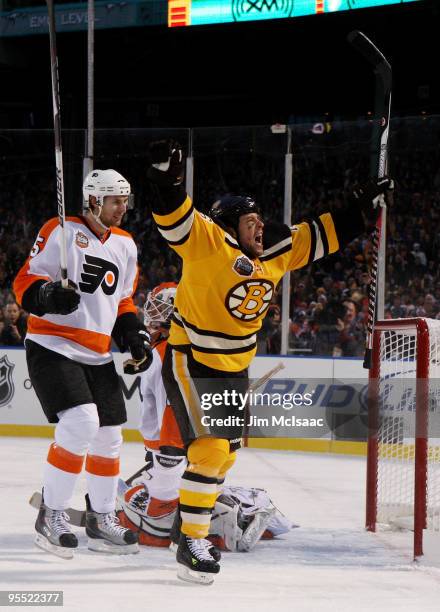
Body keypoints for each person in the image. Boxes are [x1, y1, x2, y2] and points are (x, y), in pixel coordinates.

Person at [146, 140, 393, 583]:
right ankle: (190, 540)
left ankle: (192, 531)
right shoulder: (209, 243)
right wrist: (167, 178)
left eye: (260, 220)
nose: (260, 227)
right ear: (229, 225)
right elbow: (173, 215)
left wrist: (363, 208)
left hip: (235, 368)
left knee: (225, 458)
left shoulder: (275, 250)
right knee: (209, 450)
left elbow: (320, 236)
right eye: (250, 221)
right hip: (193, 359)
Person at [13, 169, 153, 559]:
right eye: (115, 200)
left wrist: (133, 332)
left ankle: (101, 517)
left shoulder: (125, 244)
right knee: (81, 422)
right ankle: (51, 514)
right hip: (53, 343)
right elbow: (25, 282)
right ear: (94, 201)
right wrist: (48, 296)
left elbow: (123, 300)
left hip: (97, 352)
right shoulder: (60, 230)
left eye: (125, 200)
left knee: (110, 436)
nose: (123, 208)